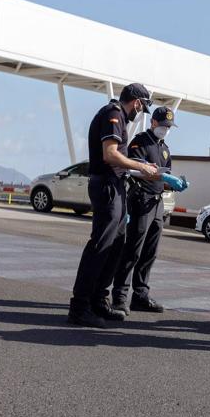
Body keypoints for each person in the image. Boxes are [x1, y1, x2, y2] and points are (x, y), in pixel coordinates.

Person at [68, 83, 158, 328]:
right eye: (142, 108)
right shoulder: (114, 114)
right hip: (107, 185)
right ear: (137, 102)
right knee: (101, 245)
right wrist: (141, 166)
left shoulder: (116, 115)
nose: (139, 114)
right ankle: (80, 306)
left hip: (116, 185)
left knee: (117, 245)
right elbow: (110, 154)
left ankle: (98, 300)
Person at [112, 107, 187, 316]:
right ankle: (119, 296)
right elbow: (135, 170)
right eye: (163, 125)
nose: (165, 129)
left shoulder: (164, 148)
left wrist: (175, 183)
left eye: (169, 127)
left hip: (157, 203)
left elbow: (165, 175)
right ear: (153, 122)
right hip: (141, 199)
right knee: (132, 250)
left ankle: (141, 295)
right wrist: (160, 177)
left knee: (150, 253)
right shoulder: (140, 142)